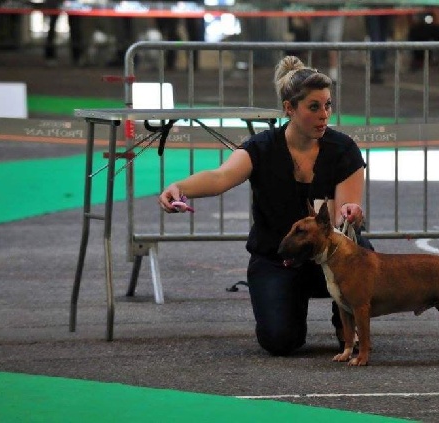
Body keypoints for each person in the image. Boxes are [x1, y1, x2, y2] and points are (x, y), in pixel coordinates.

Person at [158, 56, 372, 356]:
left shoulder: (343, 149)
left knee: (360, 248)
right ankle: (290, 301)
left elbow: (342, 216)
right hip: (277, 257)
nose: (324, 115)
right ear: (289, 108)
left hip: (327, 256)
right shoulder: (261, 147)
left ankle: (345, 321)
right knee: (281, 341)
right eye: (314, 107)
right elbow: (220, 177)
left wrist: (352, 211)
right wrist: (180, 188)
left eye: (328, 105)